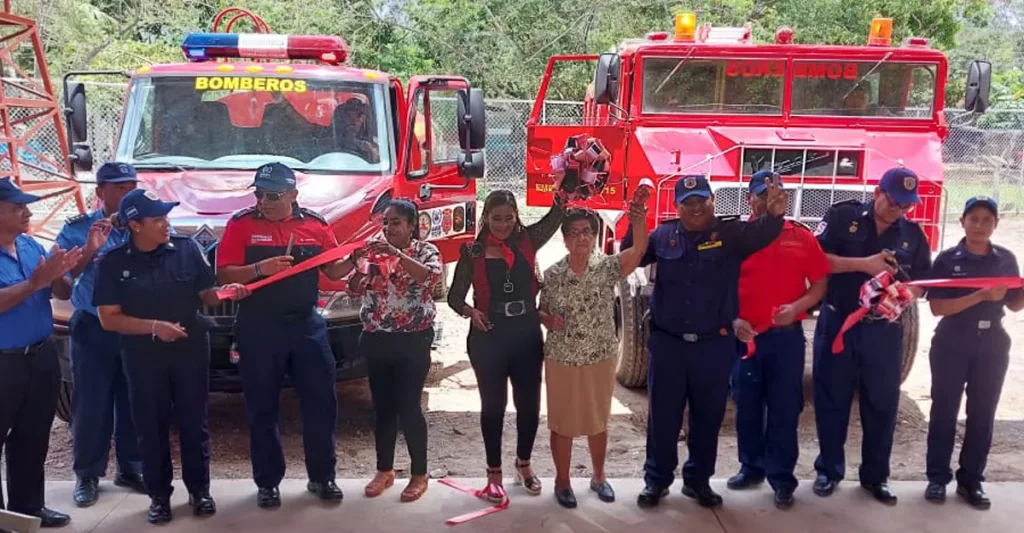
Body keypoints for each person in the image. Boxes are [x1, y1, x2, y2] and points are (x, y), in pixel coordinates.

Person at [621, 174, 786, 509]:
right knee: (663, 417)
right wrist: (635, 218)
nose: (695, 208)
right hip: (668, 344)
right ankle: (656, 480)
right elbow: (631, 255)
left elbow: (764, 233)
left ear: (713, 201)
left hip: (714, 345)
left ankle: (697, 481)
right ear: (678, 207)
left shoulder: (730, 234)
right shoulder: (663, 235)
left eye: (701, 200)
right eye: (688, 203)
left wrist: (775, 214)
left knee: (707, 417)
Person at [94, 189, 248, 524]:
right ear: (135, 225)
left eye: (167, 217)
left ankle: (200, 491)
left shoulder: (186, 249)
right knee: (151, 426)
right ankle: (159, 497)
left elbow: (206, 295)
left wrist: (226, 293)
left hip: (190, 349)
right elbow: (109, 318)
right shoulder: (113, 263)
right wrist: (154, 327)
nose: (166, 224)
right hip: (142, 355)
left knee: (195, 423)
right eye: (158, 219)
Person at [215, 162, 354, 508]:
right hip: (259, 327)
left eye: (273, 195)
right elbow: (224, 275)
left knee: (321, 403)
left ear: (293, 195)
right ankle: (267, 483)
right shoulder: (241, 225)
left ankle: (322, 478)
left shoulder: (315, 225)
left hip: (306, 325)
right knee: (262, 407)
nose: (264, 201)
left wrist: (355, 259)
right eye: (259, 194)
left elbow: (333, 270)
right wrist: (261, 268)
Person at [811, 167, 932, 505]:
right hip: (839, 325)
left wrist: (907, 294)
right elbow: (816, 260)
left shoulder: (912, 235)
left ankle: (875, 477)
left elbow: (924, 280)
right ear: (878, 193)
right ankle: (829, 470)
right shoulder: (842, 217)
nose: (900, 212)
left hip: (883, 331)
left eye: (907, 207)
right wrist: (863, 264)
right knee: (832, 398)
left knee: (881, 405)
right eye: (895, 203)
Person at [447, 189, 566, 501]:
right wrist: (471, 312)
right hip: (489, 336)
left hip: (526, 331)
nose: (502, 224)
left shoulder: (527, 240)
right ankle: (493, 473)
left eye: (508, 218)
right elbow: (454, 297)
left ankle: (523, 464)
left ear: (516, 218)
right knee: (493, 406)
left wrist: (566, 188)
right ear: (486, 218)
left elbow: (556, 217)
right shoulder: (472, 251)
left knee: (529, 404)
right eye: (496, 218)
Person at [537, 195, 649, 509]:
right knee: (561, 423)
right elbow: (540, 311)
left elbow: (638, 250)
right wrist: (548, 319)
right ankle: (562, 481)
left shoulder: (607, 267)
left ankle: (599, 477)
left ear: (594, 235)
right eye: (574, 232)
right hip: (562, 358)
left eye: (587, 231)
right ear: (565, 240)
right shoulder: (554, 274)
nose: (582, 237)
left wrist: (637, 217)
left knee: (598, 420)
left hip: (600, 356)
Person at [727, 171, 830, 509]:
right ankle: (751, 467)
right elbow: (718, 286)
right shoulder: (737, 237)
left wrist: (798, 306)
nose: (769, 200)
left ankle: (782, 478)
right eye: (762, 194)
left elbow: (819, 283)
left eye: (776, 194)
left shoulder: (799, 236)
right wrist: (733, 317)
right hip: (747, 338)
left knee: (785, 409)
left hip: (785, 340)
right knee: (747, 407)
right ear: (749, 199)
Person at [923, 196, 1024, 509]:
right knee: (944, 411)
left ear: (996, 224)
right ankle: (937, 478)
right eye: (974, 218)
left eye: (986, 220)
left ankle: (971, 481)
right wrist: (980, 295)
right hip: (953, 341)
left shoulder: (1005, 259)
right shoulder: (947, 260)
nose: (980, 225)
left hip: (992, 343)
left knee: (982, 414)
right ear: (962, 222)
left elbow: (1015, 303)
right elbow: (938, 308)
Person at [55, 162, 146, 507]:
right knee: (91, 404)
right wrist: (92, 247)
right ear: (100, 192)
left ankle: (131, 467)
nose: (127, 193)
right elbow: (63, 281)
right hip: (93, 327)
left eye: (132, 187)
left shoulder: (143, 224)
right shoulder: (79, 229)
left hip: (135, 325)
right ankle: (88, 475)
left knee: (134, 399)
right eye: (120, 188)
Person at [343, 199, 443, 502]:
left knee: (409, 407)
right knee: (382, 408)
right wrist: (360, 276)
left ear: (412, 225)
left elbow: (428, 277)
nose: (388, 228)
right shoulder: (372, 249)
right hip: (377, 338)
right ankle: (384, 470)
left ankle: (419, 473)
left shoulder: (426, 251)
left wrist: (397, 255)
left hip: (412, 340)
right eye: (385, 222)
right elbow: (352, 285)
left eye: (396, 222)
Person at [0, 178, 79, 529]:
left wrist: (60, 275)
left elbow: (57, 290)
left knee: (33, 434)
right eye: (17, 207)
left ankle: (27, 509)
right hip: (4, 360)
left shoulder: (30, 245)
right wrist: (35, 282)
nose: (27, 213)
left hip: (40, 355)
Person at [334, 98, 379, 163]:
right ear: (343, 118)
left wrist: (372, 151)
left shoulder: (376, 141)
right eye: (349, 116)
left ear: (364, 119)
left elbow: (381, 165)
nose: (354, 121)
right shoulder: (334, 139)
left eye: (358, 116)